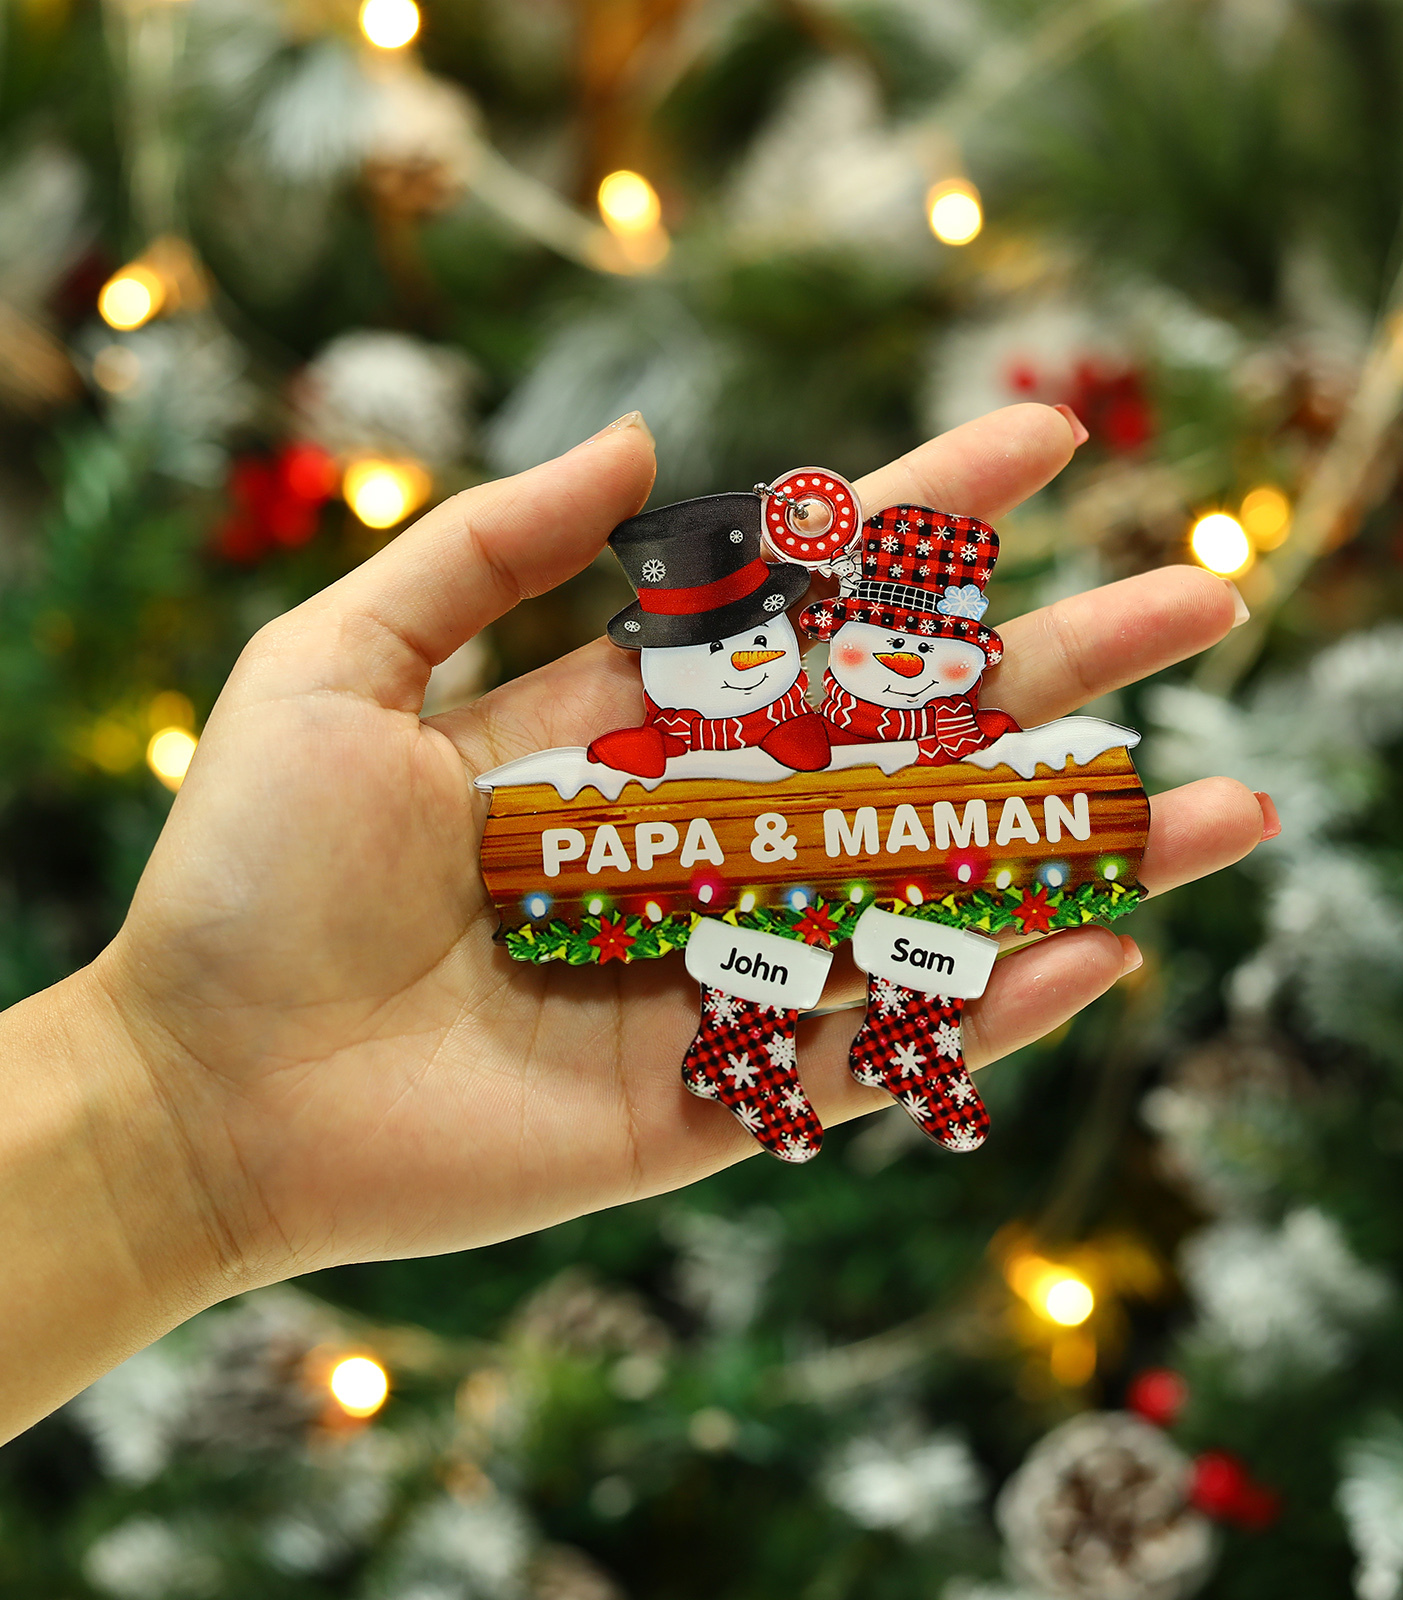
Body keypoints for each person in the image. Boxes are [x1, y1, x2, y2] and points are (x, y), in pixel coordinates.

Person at [0, 403, 1275, 1444]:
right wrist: (174, 1097)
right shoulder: (664, 757)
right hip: (718, 902)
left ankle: (903, 1034)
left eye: (766, 643)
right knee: (770, 955)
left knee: (913, 940)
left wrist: (175, 1118)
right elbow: (655, 785)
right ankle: (746, 1044)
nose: (760, 666)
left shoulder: (875, 737)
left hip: (848, 873)